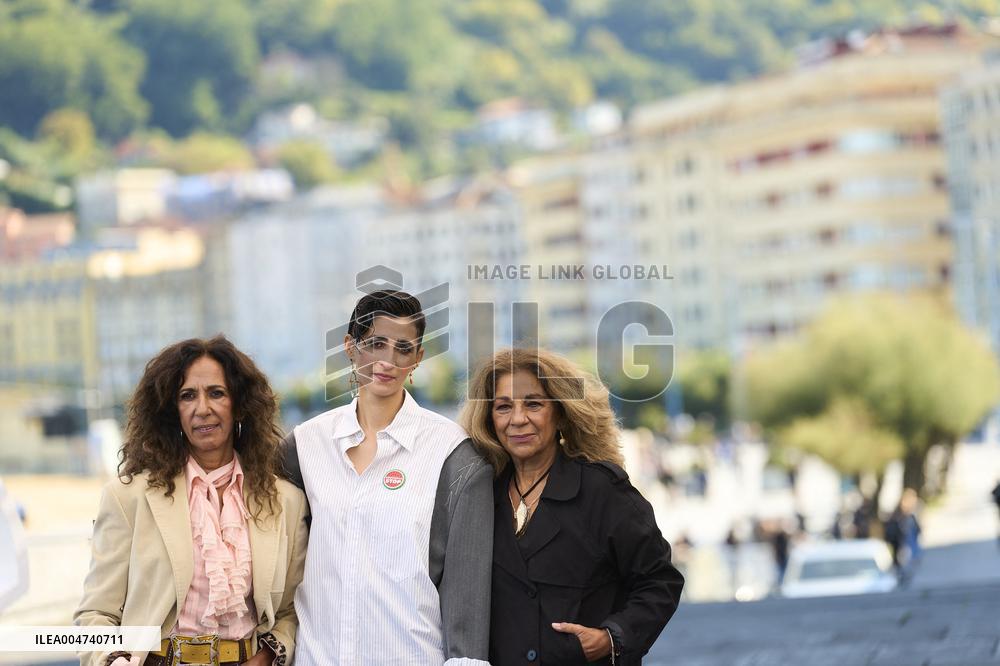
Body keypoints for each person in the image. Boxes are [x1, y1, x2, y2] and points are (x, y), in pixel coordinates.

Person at [281, 289, 493, 665]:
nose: (388, 361)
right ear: (350, 347)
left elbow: (468, 592)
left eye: (403, 349)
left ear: (418, 358)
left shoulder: (453, 453)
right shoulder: (304, 446)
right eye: (376, 344)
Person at [75, 336, 309, 666]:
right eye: (187, 396)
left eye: (216, 393)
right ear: (172, 410)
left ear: (240, 403)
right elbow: (95, 614)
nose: (202, 409)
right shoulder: (127, 498)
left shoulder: (286, 501)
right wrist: (111, 659)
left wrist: (267, 656)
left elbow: (292, 612)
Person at [460, 347, 684, 665]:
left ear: (561, 413)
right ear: (489, 418)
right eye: (503, 407)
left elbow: (660, 581)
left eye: (534, 404)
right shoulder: (479, 496)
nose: (518, 419)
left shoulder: (602, 490)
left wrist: (610, 638)